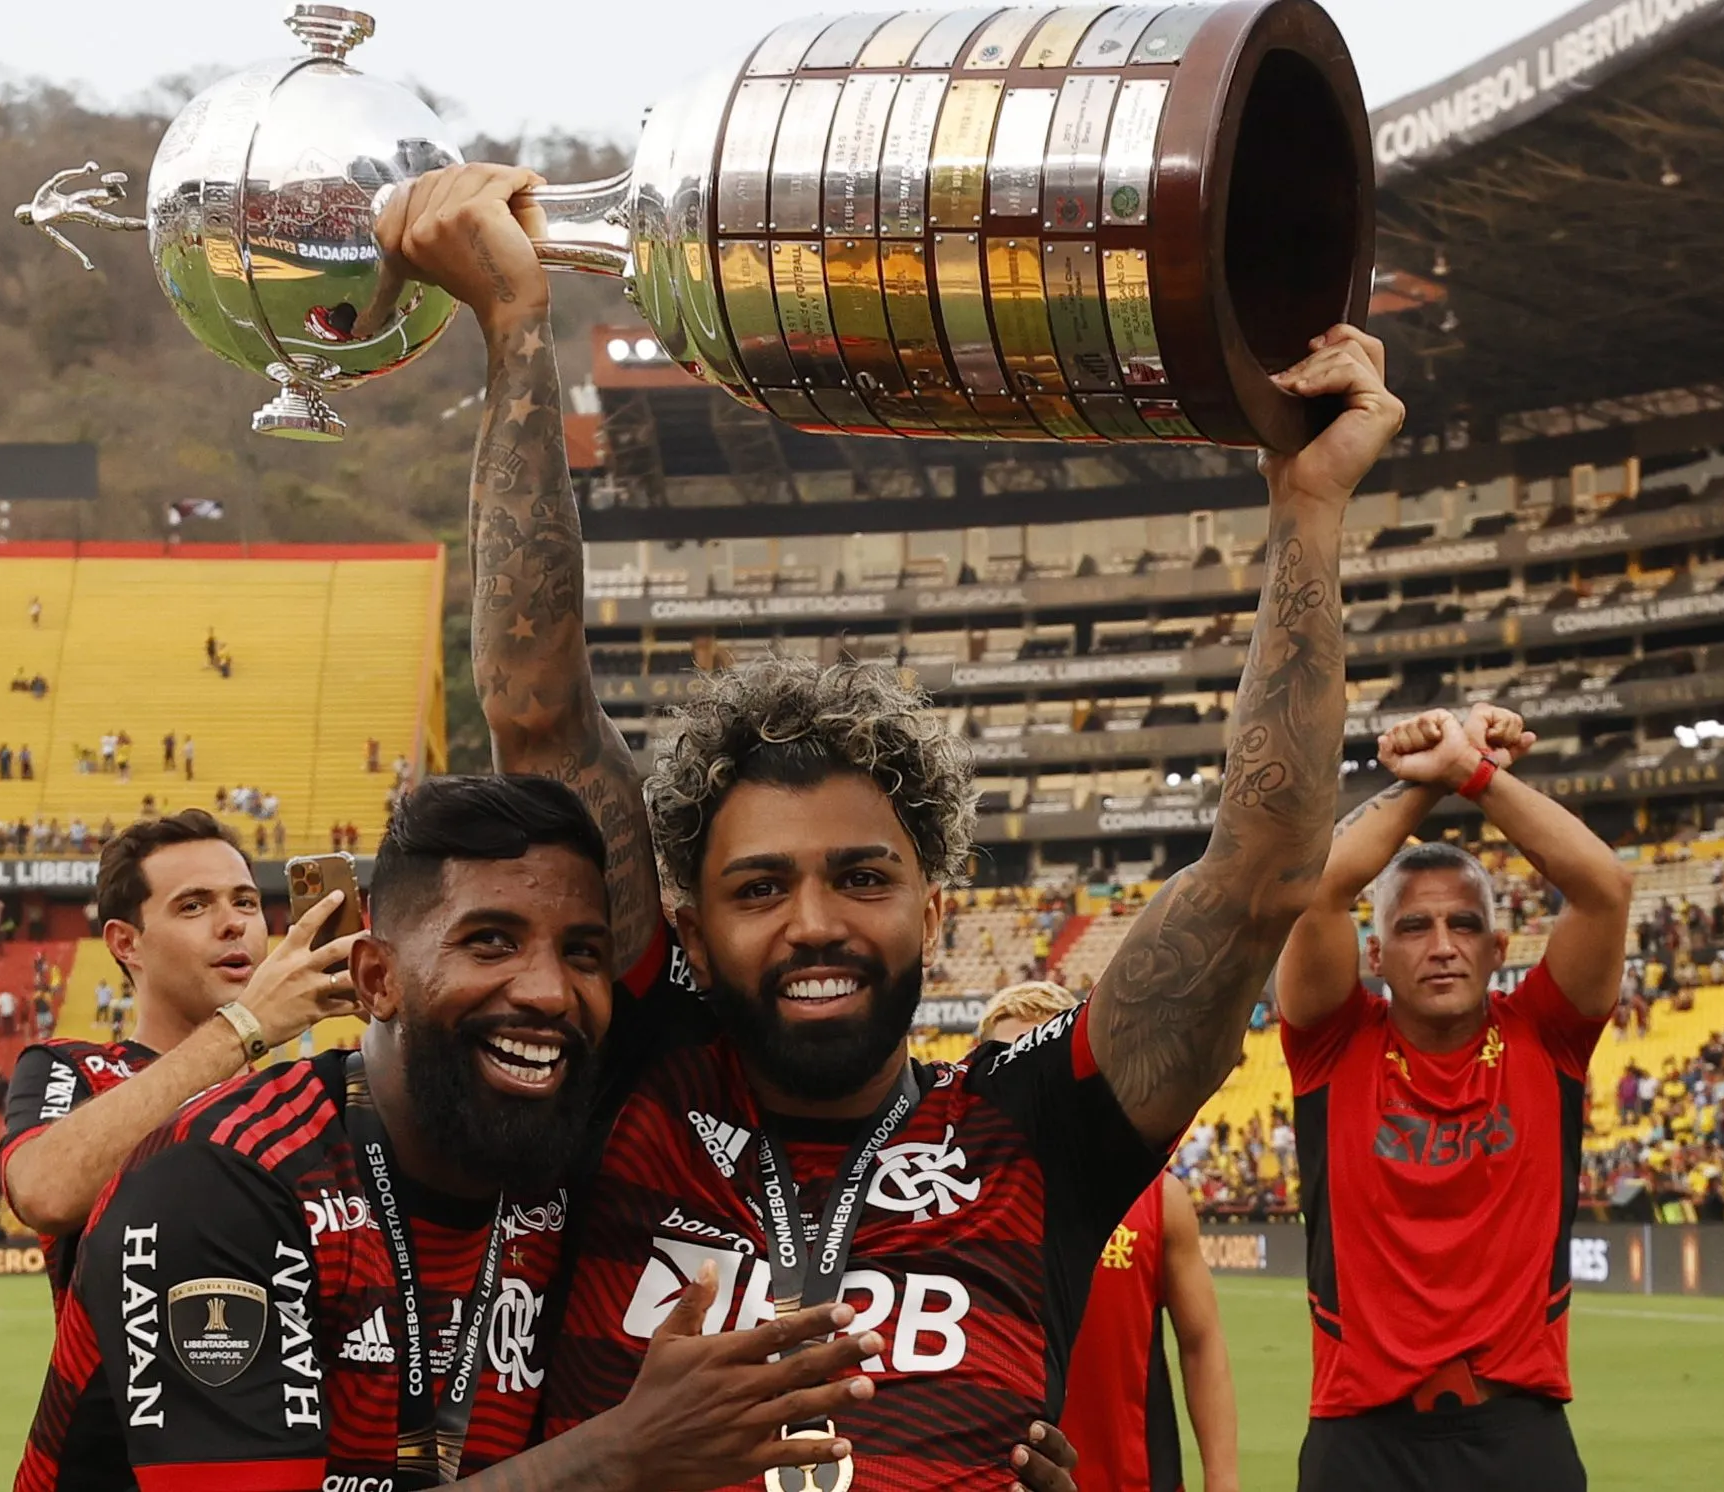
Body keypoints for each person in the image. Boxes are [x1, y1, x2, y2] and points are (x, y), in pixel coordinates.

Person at [381, 159, 1396, 1482]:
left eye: (857, 877)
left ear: (933, 908)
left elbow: (1258, 876)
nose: (810, 922)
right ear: (685, 919)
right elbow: (537, 710)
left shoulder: (1034, 1132)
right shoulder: (635, 1066)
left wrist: (1305, 510)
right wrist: (520, 339)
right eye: (756, 890)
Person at [13, 775, 884, 1491]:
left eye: (583, 952)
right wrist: (619, 1456)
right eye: (490, 941)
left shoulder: (559, 1156)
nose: (547, 990)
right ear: (377, 977)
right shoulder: (225, 1179)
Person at [1274, 705, 1633, 1492]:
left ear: (1497, 948)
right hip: (1359, 1442)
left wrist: (1474, 774)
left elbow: (1604, 889)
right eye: (1413, 928)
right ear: (1374, 952)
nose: (1441, 946)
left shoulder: (1547, 1036)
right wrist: (1421, 781)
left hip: (1518, 1436)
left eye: (1463, 924)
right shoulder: (1332, 1045)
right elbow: (1313, 894)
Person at [0, 808, 365, 1306]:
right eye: (194, 906)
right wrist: (245, 1028)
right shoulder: (71, 1068)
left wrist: (404, 1029)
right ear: (127, 943)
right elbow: (44, 1191)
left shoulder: (302, 1095)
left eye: (246, 902)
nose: (233, 923)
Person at [981, 984, 1241, 1492]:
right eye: (1009, 1066)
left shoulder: (1158, 1198)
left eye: (1040, 1069)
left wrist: (1223, 1480)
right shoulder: (948, 1209)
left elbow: (1202, 1341)